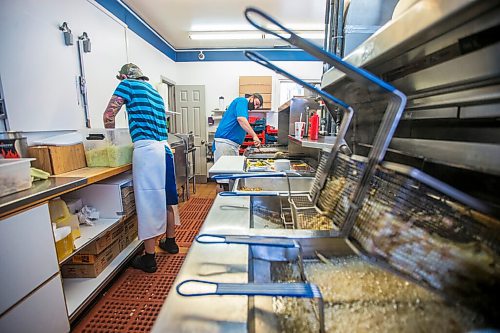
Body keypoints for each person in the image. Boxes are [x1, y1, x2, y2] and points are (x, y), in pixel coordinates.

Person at [103, 63, 179, 273]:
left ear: (125, 76)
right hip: (165, 150)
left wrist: (110, 142)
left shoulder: (127, 85)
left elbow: (109, 115)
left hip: (147, 151)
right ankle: (170, 242)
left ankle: (149, 258)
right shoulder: (155, 93)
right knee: (167, 198)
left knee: (147, 202)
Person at [212, 94, 263, 162]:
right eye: (256, 103)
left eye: (257, 107)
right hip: (226, 144)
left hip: (230, 145)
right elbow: (241, 119)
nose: (255, 107)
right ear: (252, 97)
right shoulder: (242, 101)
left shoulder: (243, 106)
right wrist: (254, 136)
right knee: (225, 171)